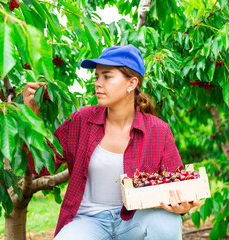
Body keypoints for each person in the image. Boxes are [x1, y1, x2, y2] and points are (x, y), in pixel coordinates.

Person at [22, 45, 200, 240]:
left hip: (135, 218)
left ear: (131, 84)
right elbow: (41, 168)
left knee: (167, 222)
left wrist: (182, 205)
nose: (98, 83)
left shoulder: (158, 130)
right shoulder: (82, 120)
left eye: (107, 77)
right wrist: (31, 117)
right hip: (89, 221)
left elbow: (178, 185)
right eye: (97, 77)